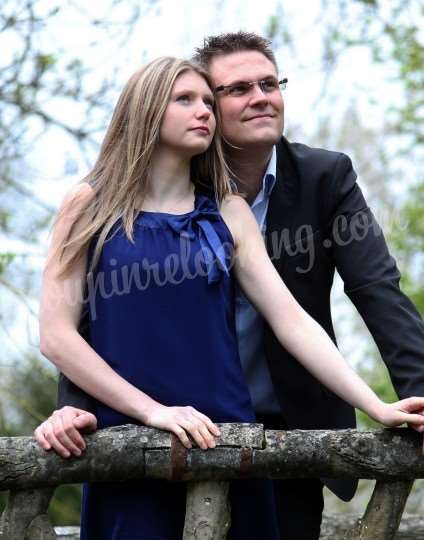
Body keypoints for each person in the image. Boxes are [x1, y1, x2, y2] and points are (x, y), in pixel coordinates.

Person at [35, 33, 424, 539]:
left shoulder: (230, 209)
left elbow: (297, 320)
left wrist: (378, 405)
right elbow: (62, 332)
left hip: (232, 431)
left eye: (206, 101)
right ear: (147, 111)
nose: (204, 112)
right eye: (187, 99)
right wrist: (138, 411)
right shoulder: (86, 205)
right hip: (129, 429)